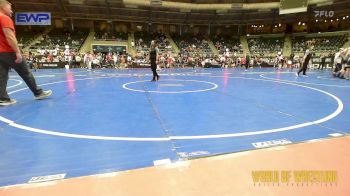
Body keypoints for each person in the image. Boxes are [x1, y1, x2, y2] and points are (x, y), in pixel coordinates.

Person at [0, 0, 52, 106]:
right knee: (25, 72)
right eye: (10, 8)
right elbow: (9, 36)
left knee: (2, 75)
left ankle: (3, 98)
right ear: (2, 7)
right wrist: (17, 52)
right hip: (9, 51)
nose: (12, 11)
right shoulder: (4, 18)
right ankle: (38, 93)